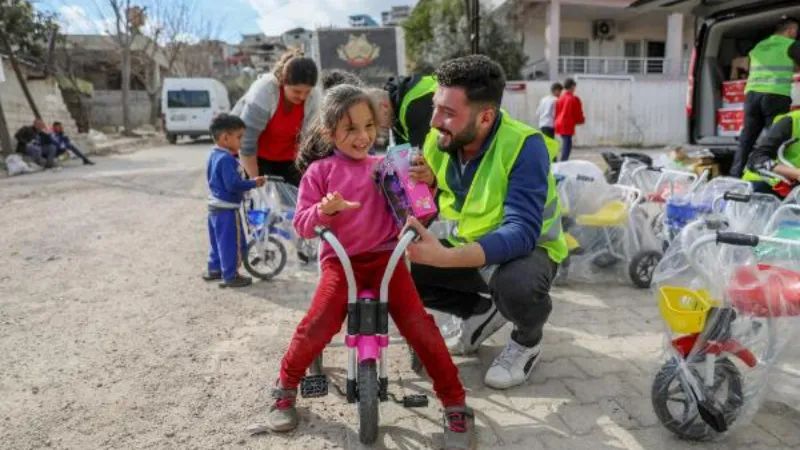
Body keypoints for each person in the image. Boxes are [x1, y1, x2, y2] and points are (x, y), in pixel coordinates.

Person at [263, 85, 475, 449]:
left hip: (387, 261)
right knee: (318, 323)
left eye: (368, 126)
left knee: (420, 327)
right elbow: (301, 225)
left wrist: (430, 184)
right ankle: (284, 388)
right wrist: (324, 210)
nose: (363, 137)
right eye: (350, 129)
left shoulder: (389, 165)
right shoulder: (320, 172)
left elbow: (423, 211)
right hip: (340, 263)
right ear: (330, 133)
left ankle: (455, 403)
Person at [404, 55, 567, 390]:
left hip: (529, 253)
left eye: (448, 112)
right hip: (472, 247)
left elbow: (522, 232)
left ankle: (526, 341)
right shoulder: (441, 139)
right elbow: (442, 197)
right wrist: (428, 186)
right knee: (395, 270)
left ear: (486, 117)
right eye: (436, 107)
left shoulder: (525, 145)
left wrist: (445, 258)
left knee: (516, 287)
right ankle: (480, 311)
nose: (434, 121)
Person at [233, 48, 321, 186]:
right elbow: (247, 141)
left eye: (307, 91)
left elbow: (309, 144)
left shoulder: (314, 98)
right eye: (296, 91)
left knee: (295, 200)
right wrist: (255, 183)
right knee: (264, 202)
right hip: (256, 156)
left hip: (290, 158)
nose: (303, 96)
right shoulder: (265, 91)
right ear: (282, 82)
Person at [730, 17, 800, 177]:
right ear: (790, 31)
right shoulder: (790, 45)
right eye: (795, 31)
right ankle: (777, 178)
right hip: (775, 95)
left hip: (752, 96)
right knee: (776, 141)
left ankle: (735, 175)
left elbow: (746, 64)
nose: (795, 34)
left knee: (747, 138)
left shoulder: (759, 46)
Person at [204, 114, 266, 288]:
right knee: (231, 242)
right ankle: (231, 276)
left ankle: (214, 269)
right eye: (239, 137)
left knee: (217, 241)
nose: (241, 141)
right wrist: (254, 182)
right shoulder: (227, 160)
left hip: (214, 207)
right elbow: (233, 184)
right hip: (227, 209)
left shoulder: (214, 154)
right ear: (225, 138)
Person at [742, 110, 800, 198]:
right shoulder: (791, 121)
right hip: (763, 186)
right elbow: (756, 160)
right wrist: (796, 173)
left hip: (792, 190)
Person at [377, 73, 437, 147]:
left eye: (374, 121)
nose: (377, 129)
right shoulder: (396, 106)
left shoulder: (411, 109)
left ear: (384, 106)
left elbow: (423, 153)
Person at [554, 78, 585, 162]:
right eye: (574, 86)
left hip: (559, 123)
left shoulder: (560, 98)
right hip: (567, 124)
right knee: (567, 144)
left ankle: (564, 161)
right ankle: (563, 162)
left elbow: (557, 112)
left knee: (566, 142)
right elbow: (577, 112)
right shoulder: (573, 99)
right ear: (572, 87)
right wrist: (581, 120)